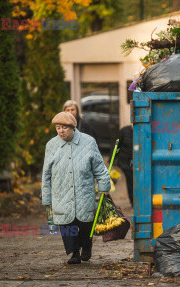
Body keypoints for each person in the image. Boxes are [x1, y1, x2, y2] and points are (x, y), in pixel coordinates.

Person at [41, 112, 111, 264]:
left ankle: (86, 247)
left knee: (85, 223)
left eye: (64, 128)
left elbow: (99, 167)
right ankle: (74, 253)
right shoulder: (51, 145)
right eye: (58, 128)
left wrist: (104, 187)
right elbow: (46, 173)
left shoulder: (88, 142)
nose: (61, 131)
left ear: (73, 128)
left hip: (83, 192)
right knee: (66, 225)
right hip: (61, 193)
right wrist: (46, 197)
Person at [116, 125, 133, 206]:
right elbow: (117, 145)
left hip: (138, 161)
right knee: (130, 181)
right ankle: (132, 202)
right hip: (125, 161)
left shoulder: (142, 129)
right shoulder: (124, 130)